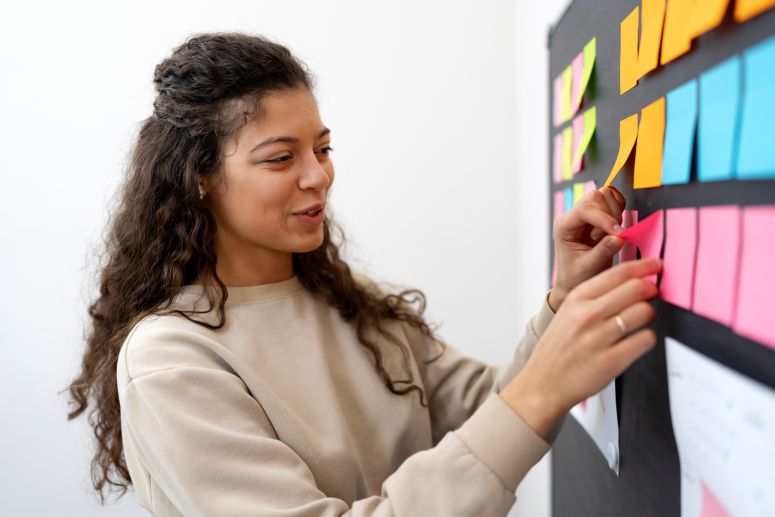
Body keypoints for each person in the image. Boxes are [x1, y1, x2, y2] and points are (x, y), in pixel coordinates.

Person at [67, 32, 660, 516]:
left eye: (322, 149)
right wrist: (539, 390)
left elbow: (490, 405)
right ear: (198, 176)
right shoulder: (171, 361)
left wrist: (564, 295)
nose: (317, 176)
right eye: (281, 157)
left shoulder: (346, 300)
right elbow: (522, 407)